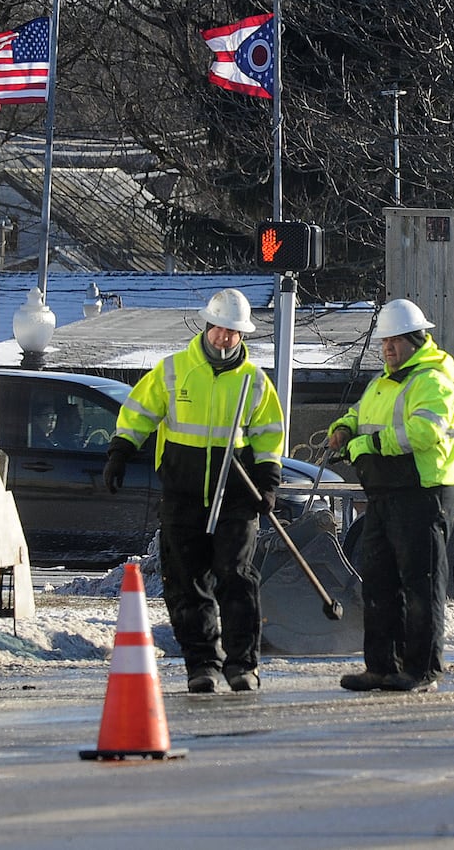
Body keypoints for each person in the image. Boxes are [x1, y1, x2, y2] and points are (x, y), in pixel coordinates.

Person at [101, 288, 284, 693]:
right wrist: (120, 451)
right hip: (183, 495)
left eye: (232, 332)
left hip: (236, 496)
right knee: (186, 583)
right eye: (219, 328)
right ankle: (202, 664)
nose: (224, 338)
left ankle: (242, 665)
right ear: (208, 326)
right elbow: (138, 412)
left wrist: (268, 482)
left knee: (235, 577)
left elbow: (270, 435)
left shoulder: (254, 382)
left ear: (242, 336)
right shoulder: (173, 370)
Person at [328, 298, 454, 694]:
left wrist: (365, 445)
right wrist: (342, 428)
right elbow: (358, 415)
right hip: (387, 495)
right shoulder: (381, 383)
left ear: (415, 340)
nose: (388, 348)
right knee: (378, 581)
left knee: (420, 584)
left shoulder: (433, 383)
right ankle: (381, 667)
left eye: (395, 341)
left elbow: (422, 434)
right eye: (384, 341)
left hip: (423, 494)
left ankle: (421, 669)